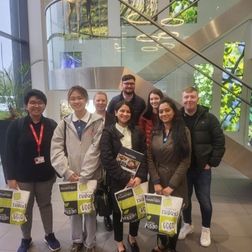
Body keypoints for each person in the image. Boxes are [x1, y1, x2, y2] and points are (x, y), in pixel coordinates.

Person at [5, 89, 61, 252]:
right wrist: (11, 177)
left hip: (45, 176)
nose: (36, 105)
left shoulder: (51, 125)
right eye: (32, 102)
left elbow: (58, 149)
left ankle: (49, 235)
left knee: (46, 205)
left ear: (44, 105)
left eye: (40, 102)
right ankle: (26, 238)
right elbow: (8, 153)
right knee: (25, 208)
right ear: (26, 105)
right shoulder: (16, 126)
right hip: (23, 177)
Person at [50, 86, 103, 252]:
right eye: (73, 98)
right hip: (71, 175)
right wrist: (67, 171)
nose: (76, 101)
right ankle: (77, 240)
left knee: (89, 209)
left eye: (80, 98)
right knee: (74, 209)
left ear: (86, 100)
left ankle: (90, 243)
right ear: (69, 101)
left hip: (91, 175)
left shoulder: (97, 121)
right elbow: (56, 148)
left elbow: (97, 148)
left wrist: (85, 174)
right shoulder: (64, 123)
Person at [178, 86, 225, 247]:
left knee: (204, 201)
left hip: (202, 170)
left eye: (192, 97)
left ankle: (206, 229)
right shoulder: (177, 117)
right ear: (182, 99)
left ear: (198, 98)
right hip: (183, 169)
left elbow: (219, 142)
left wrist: (211, 162)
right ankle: (188, 224)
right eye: (186, 97)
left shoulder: (209, 118)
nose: (189, 100)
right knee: (185, 200)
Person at [100, 100, 147, 252]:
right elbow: (106, 159)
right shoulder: (108, 132)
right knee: (118, 211)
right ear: (115, 112)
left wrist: (139, 176)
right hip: (117, 179)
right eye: (122, 111)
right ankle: (119, 242)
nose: (125, 114)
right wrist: (125, 178)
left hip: (138, 179)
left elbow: (144, 155)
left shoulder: (138, 131)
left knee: (136, 209)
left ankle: (132, 237)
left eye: (128, 111)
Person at [148, 97, 191, 252]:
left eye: (167, 110)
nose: (164, 113)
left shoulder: (183, 131)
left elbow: (185, 161)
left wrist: (172, 185)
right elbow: (150, 158)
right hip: (157, 179)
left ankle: (172, 247)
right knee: (158, 213)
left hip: (176, 180)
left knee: (173, 215)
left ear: (174, 111)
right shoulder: (155, 131)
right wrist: (156, 181)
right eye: (161, 111)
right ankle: (161, 243)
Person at [93, 91, 115, 232]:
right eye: (98, 100)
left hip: (109, 158)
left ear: (107, 102)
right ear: (94, 102)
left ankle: (107, 216)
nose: (101, 102)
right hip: (93, 158)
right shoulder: (89, 118)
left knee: (107, 188)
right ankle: (93, 216)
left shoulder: (113, 118)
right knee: (94, 188)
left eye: (103, 100)